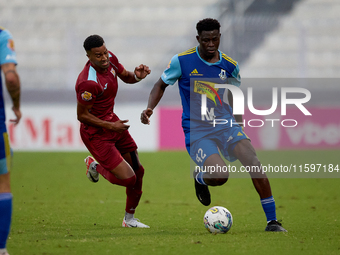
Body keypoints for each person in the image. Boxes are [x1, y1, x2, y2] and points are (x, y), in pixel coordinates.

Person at [141, 18, 287, 232]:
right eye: (206, 40)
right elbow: (160, 85)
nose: (211, 44)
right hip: (198, 131)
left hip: (225, 124)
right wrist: (150, 108)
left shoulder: (230, 66)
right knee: (220, 176)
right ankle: (200, 177)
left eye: (215, 39)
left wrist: (239, 125)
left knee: (253, 161)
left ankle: (272, 221)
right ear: (198, 39)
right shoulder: (182, 61)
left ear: (220, 37)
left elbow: (233, 97)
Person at [76, 35, 151, 228]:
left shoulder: (110, 60)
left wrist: (137, 76)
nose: (104, 58)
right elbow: (82, 116)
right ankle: (94, 165)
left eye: (105, 52)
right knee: (128, 179)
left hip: (113, 122)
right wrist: (111, 126)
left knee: (138, 171)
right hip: (96, 134)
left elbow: (126, 76)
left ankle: (129, 220)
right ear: (88, 56)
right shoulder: (88, 83)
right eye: (98, 55)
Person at [0, 26, 22, 255]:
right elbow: (12, 79)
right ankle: (1, 249)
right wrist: (16, 105)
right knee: (2, 184)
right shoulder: (2, 36)